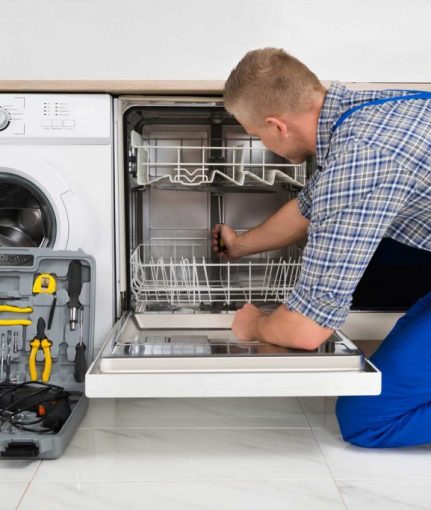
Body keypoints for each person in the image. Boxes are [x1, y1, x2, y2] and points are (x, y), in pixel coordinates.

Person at [212, 48, 431, 448]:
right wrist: (241, 245)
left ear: (276, 126)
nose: (262, 143)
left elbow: (306, 330)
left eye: (256, 135)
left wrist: (254, 325)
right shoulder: (365, 112)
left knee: (367, 420)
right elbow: (309, 207)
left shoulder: (361, 160)